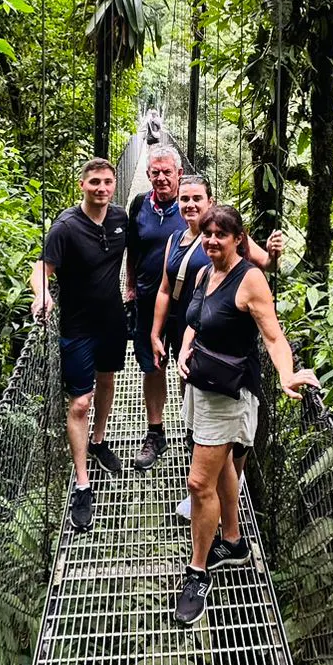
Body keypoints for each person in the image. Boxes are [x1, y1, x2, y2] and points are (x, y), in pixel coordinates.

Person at [173, 204, 318, 627]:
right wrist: (185, 347)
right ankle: (234, 543)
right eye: (207, 234)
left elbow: (273, 335)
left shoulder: (250, 278)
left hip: (229, 395)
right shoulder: (204, 273)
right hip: (202, 385)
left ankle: (198, 572)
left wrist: (287, 374)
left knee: (198, 483)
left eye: (221, 234)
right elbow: (197, 319)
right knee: (220, 470)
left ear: (239, 239)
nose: (212, 241)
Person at [150, 174, 283, 520]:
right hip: (199, 356)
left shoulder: (237, 254)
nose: (190, 204)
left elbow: (272, 330)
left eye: (197, 198)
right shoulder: (186, 251)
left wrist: (287, 373)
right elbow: (177, 299)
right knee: (206, 436)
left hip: (231, 369)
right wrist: (168, 339)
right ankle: (223, 513)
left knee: (223, 447)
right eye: (185, 199)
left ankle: (220, 504)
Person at [29, 157, 128, 534]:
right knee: (80, 402)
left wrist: (134, 285)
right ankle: (82, 485)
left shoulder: (120, 218)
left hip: (112, 320)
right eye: (94, 182)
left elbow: (136, 255)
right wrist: (42, 295)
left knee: (107, 380)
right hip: (78, 326)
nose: (101, 188)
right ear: (82, 185)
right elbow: (41, 268)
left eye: (107, 182)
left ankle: (98, 441)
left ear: (115, 185)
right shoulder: (65, 227)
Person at [124, 143, 184, 471]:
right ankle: (155, 433)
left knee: (189, 368)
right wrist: (130, 287)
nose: (161, 178)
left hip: (187, 306)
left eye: (167, 172)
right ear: (147, 174)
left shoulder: (192, 206)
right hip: (148, 303)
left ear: (180, 174)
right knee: (153, 367)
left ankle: (194, 431)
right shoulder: (139, 205)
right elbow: (132, 250)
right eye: (155, 172)